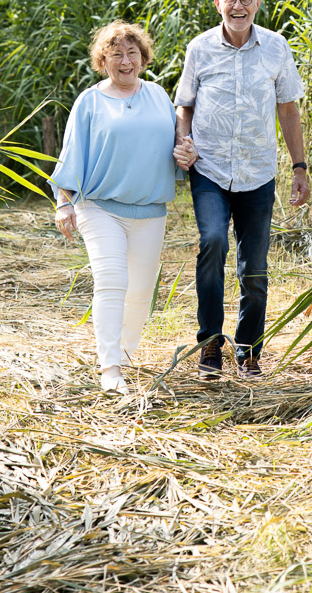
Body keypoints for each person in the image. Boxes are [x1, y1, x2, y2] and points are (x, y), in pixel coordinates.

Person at [174, 0, 308, 380]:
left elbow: (288, 109)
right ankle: (210, 344)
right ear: (218, 4)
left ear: (257, 4)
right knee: (213, 242)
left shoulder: (276, 47)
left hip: (258, 172)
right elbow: (185, 106)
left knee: (254, 267)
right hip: (209, 169)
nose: (238, 6)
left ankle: (249, 349)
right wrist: (184, 142)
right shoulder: (199, 48)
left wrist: (299, 166)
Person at [51, 21, 197, 394]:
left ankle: (125, 356)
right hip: (99, 207)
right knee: (112, 282)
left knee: (141, 292)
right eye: (116, 54)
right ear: (103, 61)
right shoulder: (90, 101)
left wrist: (186, 152)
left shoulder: (158, 96)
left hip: (150, 210)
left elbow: (176, 145)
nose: (125, 61)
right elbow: (71, 154)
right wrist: (64, 203)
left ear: (143, 58)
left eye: (132, 53)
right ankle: (110, 369)